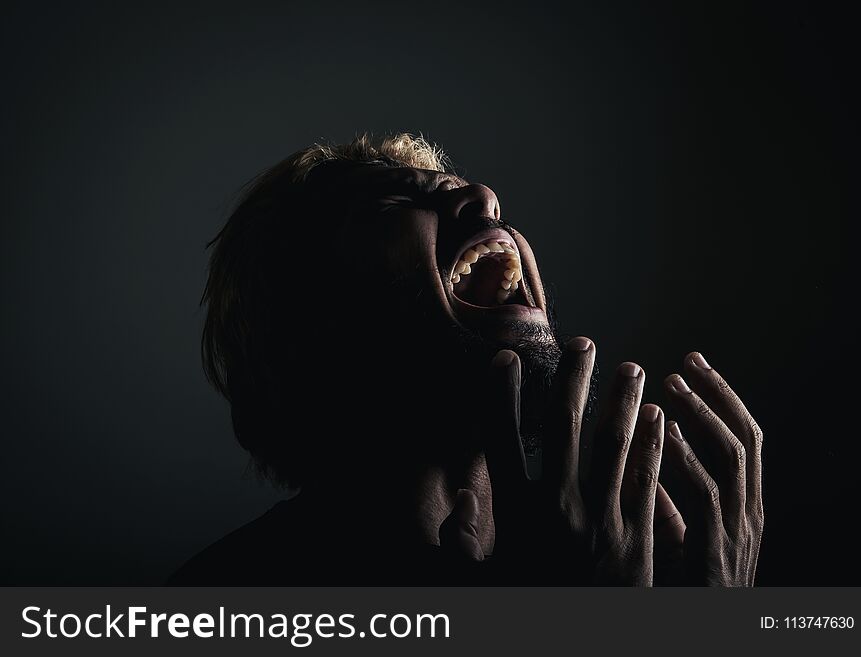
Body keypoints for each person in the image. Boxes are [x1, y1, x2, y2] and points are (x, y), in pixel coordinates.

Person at [170, 134, 763, 585]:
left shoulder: (642, 558)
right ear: (305, 324)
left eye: (470, 190)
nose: (484, 196)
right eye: (395, 199)